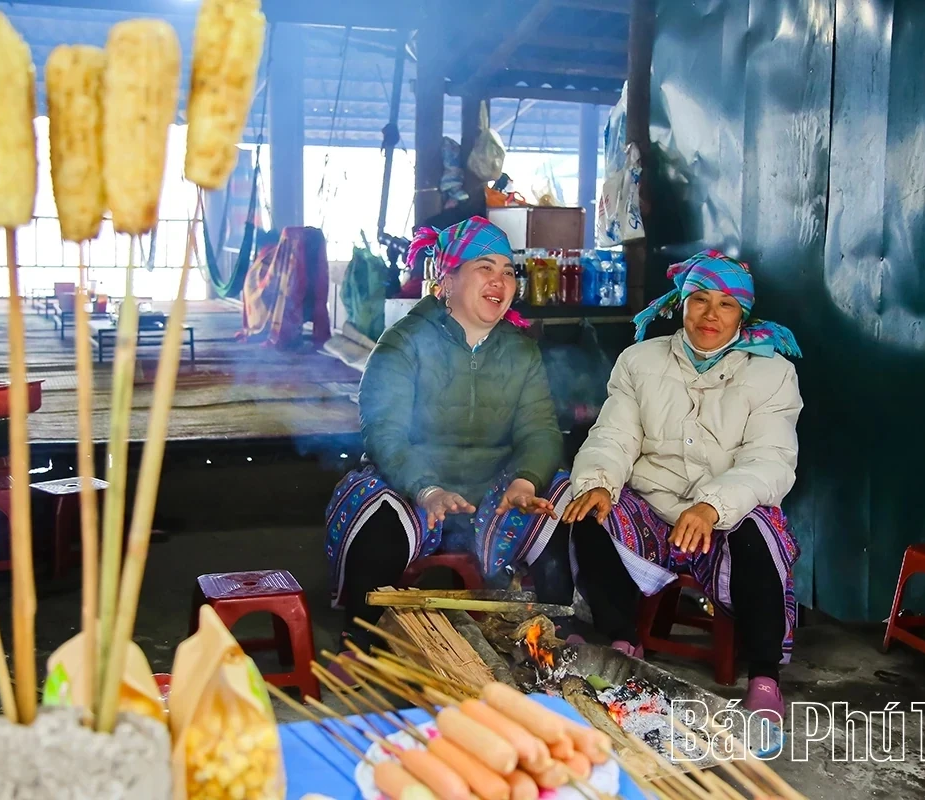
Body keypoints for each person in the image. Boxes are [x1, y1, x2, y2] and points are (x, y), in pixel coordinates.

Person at [559, 250, 804, 718]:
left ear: (743, 314)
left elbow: (769, 460)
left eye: (726, 304)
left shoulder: (773, 374)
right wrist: (599, 482)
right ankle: (622, 643)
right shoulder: (639, 361)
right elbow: (614, 435)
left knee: (761, 537)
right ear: (680, 303)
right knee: (590, 509)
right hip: (654, 503)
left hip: (727, 511)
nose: (711, 314)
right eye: (700, 299)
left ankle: (765, 678)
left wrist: (711, 506)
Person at [325, 216, 569, 650]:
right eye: (485, 268)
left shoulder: (521, 350)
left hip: (493, 484)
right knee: (377, 519)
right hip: (413, 480)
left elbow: (541, 429)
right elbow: (384, 431)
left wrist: (524, 480)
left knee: (558, 505)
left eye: (508, 273)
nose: (500, 282)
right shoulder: (404, 341)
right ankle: (359, 637)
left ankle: (553, 643)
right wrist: (426, 488)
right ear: (447, 277)